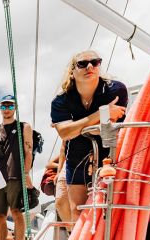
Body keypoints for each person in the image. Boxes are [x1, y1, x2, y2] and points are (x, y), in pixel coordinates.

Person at [51, 50, 128, 220]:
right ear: (72, 71)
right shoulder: (61, 101)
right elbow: (64, 134)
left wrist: (77, 127)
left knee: (107, 212)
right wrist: (99, 115)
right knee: (77, 212)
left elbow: (110, 126)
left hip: (110, 157)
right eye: (82, 64)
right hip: (76, 159)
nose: (90, 66)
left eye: (95, 62)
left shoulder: (115, 90)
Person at [0, 94, 34, 240]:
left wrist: (26, 173)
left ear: (14, 108)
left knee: (16, 212)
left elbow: (28, 150)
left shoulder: (24, 127)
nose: (6, 109)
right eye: (3, 106)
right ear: (0, 108)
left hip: (16, 174)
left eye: (10, 106)